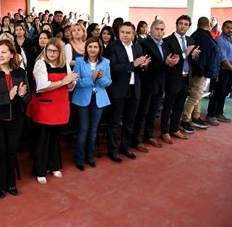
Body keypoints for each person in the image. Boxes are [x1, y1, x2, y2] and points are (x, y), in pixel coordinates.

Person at [0, 40, 30, 198]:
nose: (0, 55)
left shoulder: (20, 72)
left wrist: (23, 95)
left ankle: (11, 183)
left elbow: (28, 95)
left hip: (16, 118)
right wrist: (7, 97)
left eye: (3, 52)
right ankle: (0, 185)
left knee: (11, 152)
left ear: (11, 54)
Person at [29, 39, 77, 183]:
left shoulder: (64, 65)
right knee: (43, 139)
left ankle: (54, 166)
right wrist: (63, 82)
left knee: (55, 138)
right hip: (44, 107)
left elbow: (70, 87)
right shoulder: (40, 64)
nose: (52, 53)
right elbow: (42, 86)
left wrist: (72, 81)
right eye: (49, 50)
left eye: (55, 51)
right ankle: (40, 170)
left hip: (61, 107)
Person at [105, 22, 150, 163]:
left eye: (128, 32)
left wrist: (143, 66)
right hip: (118, 89)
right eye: (122, 32)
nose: (125, 35)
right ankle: (112, 150)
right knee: (114, 122)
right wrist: (134, 64)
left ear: (133, 34)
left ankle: (125, 147)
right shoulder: (113, 47)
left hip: (134, 88)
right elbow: (113, 68)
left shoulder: (137, 47)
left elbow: (142, 70)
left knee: (129, 121)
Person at [132, 20, 179, 153]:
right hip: (147, 84)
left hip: (160, 84)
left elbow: (166, 63)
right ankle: (136, 140)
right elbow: (148, 66)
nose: (159, 32)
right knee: (142, 113)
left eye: (162, 29)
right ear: (151, 30)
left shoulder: (164, 45)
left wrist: (171, 63)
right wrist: (166, 63)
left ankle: (149, 135)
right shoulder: (144, 44)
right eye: (157, 29)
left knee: (153, 112)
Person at [162, 16, 204, 141]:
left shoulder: (190, 39)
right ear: (176, 24)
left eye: (186, 24)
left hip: (186, 77)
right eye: (181, 23)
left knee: (180, 105)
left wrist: (194, 56)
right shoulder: (168, 40)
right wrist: (185, 54)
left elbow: (190, 59)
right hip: (173, 77)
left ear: (189, 26)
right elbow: (170, 59)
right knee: (168, 105)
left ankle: (174, 128)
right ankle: (164, 131)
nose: (183, 26)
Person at [72, 38, 111, 170]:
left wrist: (100, 78)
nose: (93, 49)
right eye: (90, 47)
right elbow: (76, 82)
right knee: (83, 129)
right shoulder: (79, 61)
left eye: (95, 47)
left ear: (99, 49)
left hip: (99, 99)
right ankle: (79, 159)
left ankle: (90, 157)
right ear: (86, 48)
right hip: (82, 99)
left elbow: (108, 82)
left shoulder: (106, 62)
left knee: (94, 130)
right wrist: (92, 78)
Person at [182, 17, 220, 128]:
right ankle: (185, 119)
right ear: (208, 25)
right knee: (195, 96)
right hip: (200, 72)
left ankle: (196, 116)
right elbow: (203, 57)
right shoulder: (204, 37)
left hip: (197, 71)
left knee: (198, 95)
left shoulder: (196, 35)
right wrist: (202, 72)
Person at [206, 20, 232, 123]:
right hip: (221, 71)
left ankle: (219, 113)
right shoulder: (220, 40)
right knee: (217, 93)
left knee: (224, 92)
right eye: (228, 27)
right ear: (222, 28)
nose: (230, 30)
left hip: (230, 71)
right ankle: (210, 115)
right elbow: (223, 59)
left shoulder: (231, 40)